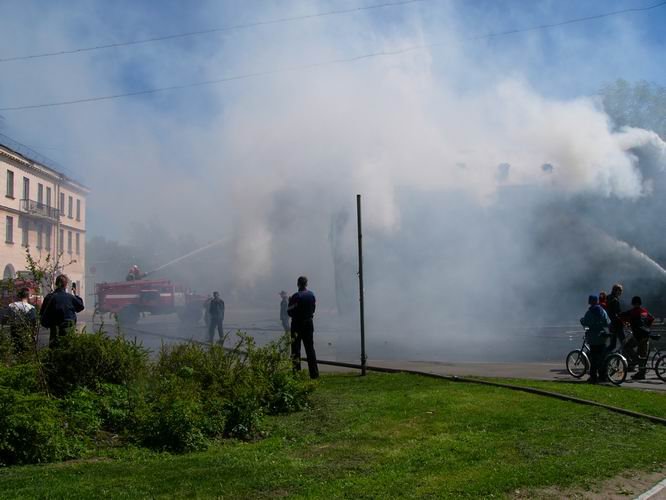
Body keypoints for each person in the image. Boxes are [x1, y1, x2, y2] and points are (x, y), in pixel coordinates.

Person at [40, 275, 85, 347]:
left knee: (54, 349)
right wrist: (75, 294)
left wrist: (46, 324)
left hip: (54, 329)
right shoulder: (70, 297)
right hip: (68, 328)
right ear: (66, 285)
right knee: (68, 349)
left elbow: (42, 313)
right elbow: (80, 307)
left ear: (56, 284)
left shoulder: (49, 297)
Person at [288, 276, 319, 379]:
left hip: (297, 325)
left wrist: (290, 301)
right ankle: (314, 374)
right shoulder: (311, 295)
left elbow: (290, 312)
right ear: (306, 284)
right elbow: (313, 309)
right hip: (309, 324)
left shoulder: (296, 296)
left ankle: (297, 375)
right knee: (310, 349)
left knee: (296, 350)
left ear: (298, 284)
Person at [620, 296, 655, 381]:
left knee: (626, 347)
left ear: (633, 303)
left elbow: (623, 315)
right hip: (646, 335)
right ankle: (641, 374)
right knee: (643, 354)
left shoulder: (633, 311)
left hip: (637, 336)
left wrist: (617, 314)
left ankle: (635, 360)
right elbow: (651, 318)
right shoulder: (644, 311)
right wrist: (647, 326)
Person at [580, 295, 611, 384]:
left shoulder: (589, 312)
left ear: (590, 302)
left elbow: (586, 322)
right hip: (603, 336)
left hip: (593, 337)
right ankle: (603, 376)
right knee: (602, 357)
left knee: (594, 358)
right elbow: (608, 322)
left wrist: (582, 320)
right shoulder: (603, 311)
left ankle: (593, 377)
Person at [8, 288, 37, 353]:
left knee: (16, 351)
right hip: (26, 333)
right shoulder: (31, 308)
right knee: (26, 351)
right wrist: (34, 335)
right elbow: (33, 323)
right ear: (28, 296)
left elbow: (7, 319)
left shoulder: (11, 306)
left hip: (14, 332)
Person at [606, 284, 624, 354]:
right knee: (624, 342)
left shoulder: (609, 298)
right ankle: (625, 358)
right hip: (617, 324)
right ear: (615, 290)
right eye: (619, 291)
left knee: (612, 345)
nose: (620, 292)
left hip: (611, 324)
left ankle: (603, 356)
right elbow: (618, 313)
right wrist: (624, 320)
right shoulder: (614, 300)